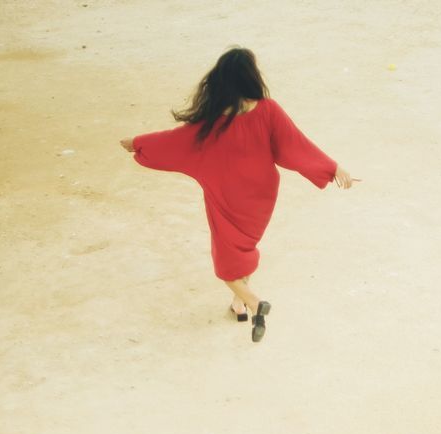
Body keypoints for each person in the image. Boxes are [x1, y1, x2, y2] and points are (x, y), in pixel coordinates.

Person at [120, 47, 356, 342]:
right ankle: (238, 303)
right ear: (251, 77)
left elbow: (174, 142)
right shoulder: (268, 110)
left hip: (226, 195)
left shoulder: (209, 123)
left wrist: (138, 143)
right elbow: (296, 145)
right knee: (243, 247)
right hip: (261, 193)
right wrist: (332, 168)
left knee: (227, 260)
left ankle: (255, 303)